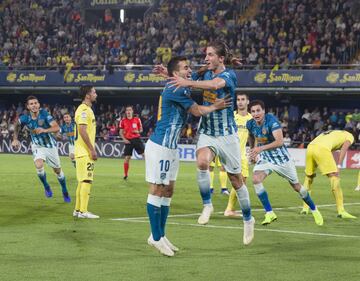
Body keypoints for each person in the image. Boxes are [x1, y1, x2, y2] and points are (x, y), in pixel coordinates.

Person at [168, 41, 255, 245]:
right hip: (207, 131)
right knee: (202, 163)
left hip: (227, 135)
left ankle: (248, 219)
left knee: (236, 179)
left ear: (220, 58)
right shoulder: (203, 72)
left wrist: (189, 84)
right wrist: (169, 73)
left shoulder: (228, 76)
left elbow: (214, 85)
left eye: (210, 55)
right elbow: (185, 77)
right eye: (205, 54)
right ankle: (207, 205)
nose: (206, 58)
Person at [146, 56, 231, 256]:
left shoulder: (179, 85)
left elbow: (189, 79)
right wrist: (214, 107)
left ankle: (160, 235)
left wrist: (168, 74)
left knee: (168, 191)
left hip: (171, 148)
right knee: (156, 190)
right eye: (186, 68)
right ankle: (155, 238)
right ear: (176, 74)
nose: (189, 70)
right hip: (160, 146)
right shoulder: (176, 89)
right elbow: (196, 111)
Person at [247, 100, 323, 226]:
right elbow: (251, 135)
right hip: (266, 159)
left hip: (282, 160)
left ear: (264, 111)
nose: (256, 113)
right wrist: (252, 150)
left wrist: (259, 149)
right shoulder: (250, 124)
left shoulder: (272, 121)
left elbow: (279, 142)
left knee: (297, 187)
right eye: (253, 111)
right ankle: (270, 213)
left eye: (258, 110)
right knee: (255, 179)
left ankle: (314, 209)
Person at [11, 95, 70, 202]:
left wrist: (44, 130)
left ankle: (64, 190)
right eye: (31, 104)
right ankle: (46, 186)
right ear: (28, 107)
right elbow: (16, 125)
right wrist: (15, 138)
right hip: (37, 146)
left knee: (57, 171)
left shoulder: (45, 114)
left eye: (35, 103)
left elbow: (56, 127)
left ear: (38, 105)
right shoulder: (25, 118)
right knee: (38, 165)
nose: (34, 105)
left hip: (50, 146)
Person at [301, 129, 356, 218]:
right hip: (322, 149)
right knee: (334, 177)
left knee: (309, 178)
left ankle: (305, 209)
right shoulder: (350, 135)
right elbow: (344, 149)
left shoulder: (335, 132)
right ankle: (341, 211)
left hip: (310, 147)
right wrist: (339, 165)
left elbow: (330, 148)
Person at [224, 93, 252, 217]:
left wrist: (253, 150)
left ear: (247, 102)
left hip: (243, 155)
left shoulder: (251, 119)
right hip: (232, 154)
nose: (240, 102)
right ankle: (230, 209)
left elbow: (252, 135)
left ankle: (230, 209)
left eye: (243, 100)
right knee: (239, 182)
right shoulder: (232, 116)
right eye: (238, 100)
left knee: (242, 182)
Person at [73, 86, 99, 219]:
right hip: (84, 152)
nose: (96, 94)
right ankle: (83, 211)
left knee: (82, 181)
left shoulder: (86, 109)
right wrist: (91, 149)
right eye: (94, 92)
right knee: (87, 180)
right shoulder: (83, 110)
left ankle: (78, 210)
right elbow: (82, 130)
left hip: (81, 151)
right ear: (87, 95)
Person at [119, 106, 144, 180]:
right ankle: (125, 175)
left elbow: (141, 129)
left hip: (136, 139)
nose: (128, 111)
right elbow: (120, 132)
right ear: (125, 112)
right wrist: (124, 139)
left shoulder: (137, 119)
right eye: (127, 110)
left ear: (132, 111)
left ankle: (151, 173)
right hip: (128, 140)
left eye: (130, 110)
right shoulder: (123, 121)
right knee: (127, 158)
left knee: (145, 155)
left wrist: (138, 131)